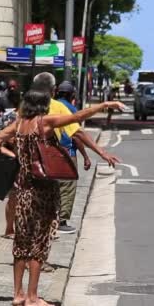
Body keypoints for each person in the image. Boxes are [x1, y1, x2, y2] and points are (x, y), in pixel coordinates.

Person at [0, 89, 125, 306]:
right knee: (39, 243)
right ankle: (33, 298)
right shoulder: (45, 122)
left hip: (23, 190)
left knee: (21, 242)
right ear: (43, 105)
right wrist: (104, 105)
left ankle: (17, 295)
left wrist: (14, 156)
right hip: (44, 191)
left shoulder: (19, 125)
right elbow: (78, 117)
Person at [32, 72, 120, 235]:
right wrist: (101, 153)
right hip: (49, 157)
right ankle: (54, 225)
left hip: (26, 161)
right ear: (53, 89)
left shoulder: (24, 106)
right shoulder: (57, 107)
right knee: (56, 191)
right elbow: (77, 133)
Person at [55, 81, 92, 234]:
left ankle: (50, 218)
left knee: (53, 186)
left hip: (49, 153)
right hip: (67, 154)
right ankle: (61, 222)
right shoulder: (71, 110)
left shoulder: (51, 105)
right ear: (72, 96)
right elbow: (76, 136)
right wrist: (85, 156)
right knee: (67, 187)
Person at [2, 90, 23, 239]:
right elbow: (5, 138)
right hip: (14, 161)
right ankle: (9, 228)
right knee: (14, 196)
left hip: (26, 163)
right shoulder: (11, 117)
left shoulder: (31, 119)